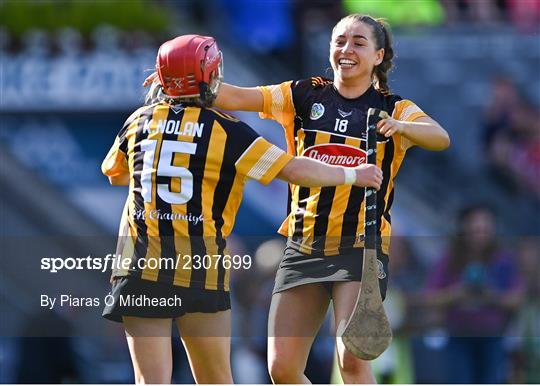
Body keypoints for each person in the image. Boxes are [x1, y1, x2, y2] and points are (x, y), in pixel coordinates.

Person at [145, 14, 450, 383]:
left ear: (378, 55)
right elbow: (236, 96)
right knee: (282, 368)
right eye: (339, 41)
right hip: (304, 245)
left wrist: (403, 127)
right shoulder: (304, 94)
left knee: (351, 358)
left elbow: (439, 137)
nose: (346, 49)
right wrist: (181, 82)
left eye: (358, 42)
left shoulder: (394, 107)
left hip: (361, 247)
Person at [103, 34, 383, 384]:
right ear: (211, 75)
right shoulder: (227, 130)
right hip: (198, 269)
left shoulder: (137, 122)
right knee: (216, 380)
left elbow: (116, 175)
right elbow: (295, 170)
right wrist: (352, 173)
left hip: (138, 267)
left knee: (151, 381)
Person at [425, 204, 524, 383]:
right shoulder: (449, 259)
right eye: (475, 226)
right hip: (458, 337)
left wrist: (490, 296)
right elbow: (431, 297)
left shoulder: (503, 260)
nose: (480, 232)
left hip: (492, 338)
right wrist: (457, 294)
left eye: (485, 227)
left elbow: (516, 299)